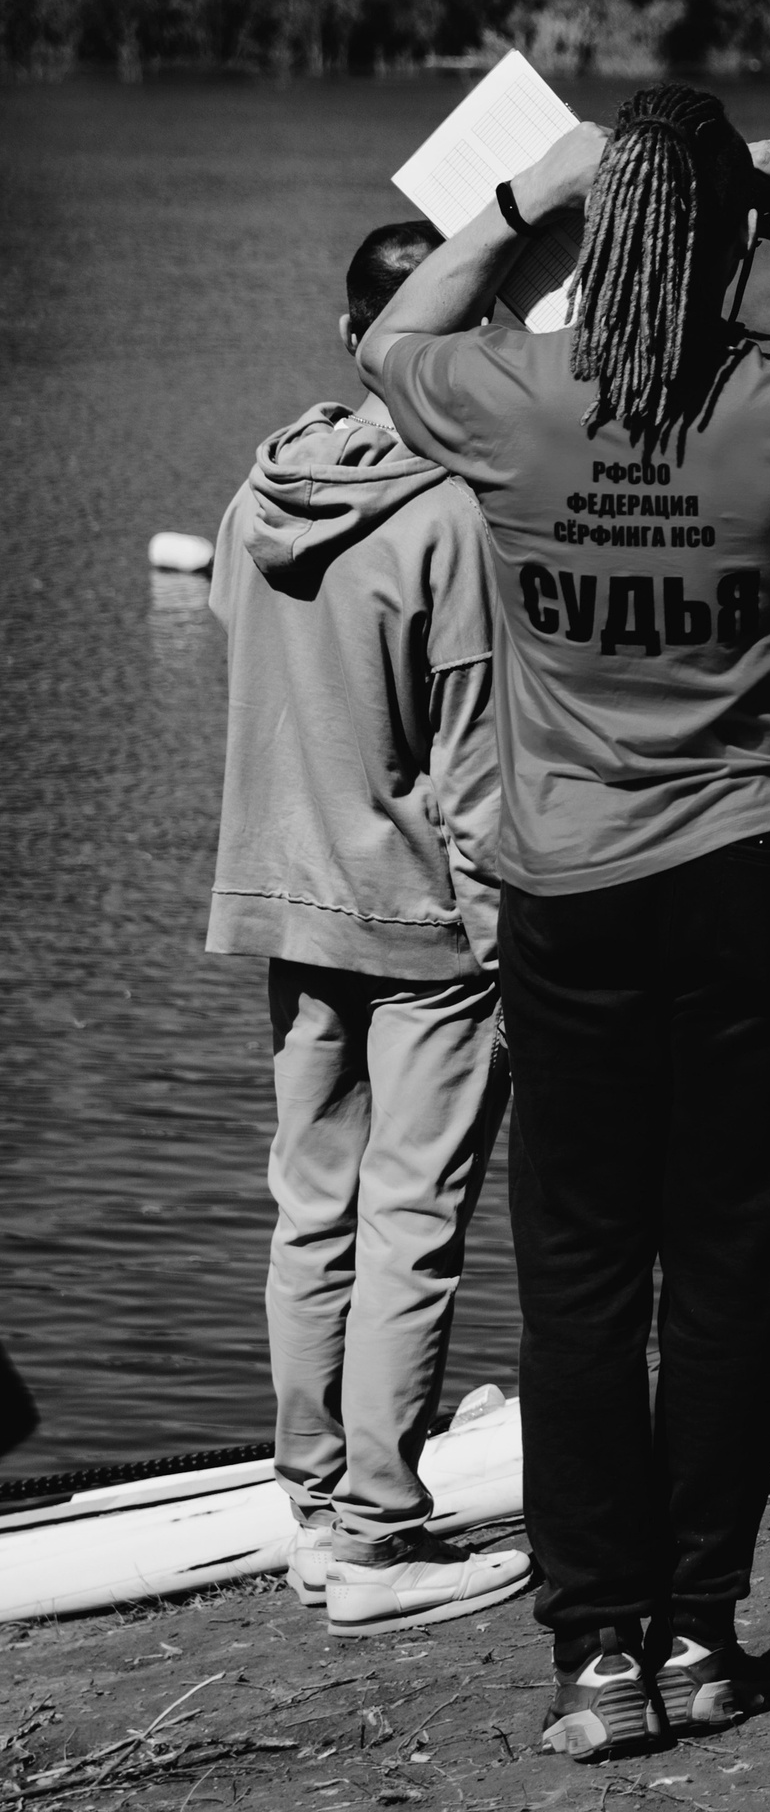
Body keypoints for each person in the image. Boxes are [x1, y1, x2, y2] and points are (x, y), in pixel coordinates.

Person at [358, 90, 770, 1758]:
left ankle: (596, 1661)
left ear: (605, 233)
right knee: (723, 1269)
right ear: (732, 246)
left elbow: (390, 341)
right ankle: (701, 1635)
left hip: (571, 890)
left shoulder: (511, 397)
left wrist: (517, 193)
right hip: (755, 881)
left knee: (576, 1281)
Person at [206, 219, 527, 1638]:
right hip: (420, 922)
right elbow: (470, 768)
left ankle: (312, 1504)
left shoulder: (254, 491)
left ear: (354, 342)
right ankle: (382, 1542)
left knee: (310, 1212)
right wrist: (509, 944)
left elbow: (250, 656)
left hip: (282, 901)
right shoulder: (453, 515)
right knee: (415, 1220)